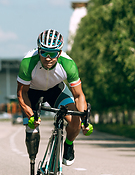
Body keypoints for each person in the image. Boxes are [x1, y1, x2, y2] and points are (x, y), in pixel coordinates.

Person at [17, 29, 93, 167]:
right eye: (44, 52)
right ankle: (33, 161)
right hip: (32, 93)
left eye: (53, 53)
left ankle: (68, 144)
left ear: (59, 53)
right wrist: (30, 115)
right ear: (38, 50)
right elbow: (22, 94)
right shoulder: (28, 63)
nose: (48, 57)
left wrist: (84, 121)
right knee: (32, 128)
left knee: (74, 121)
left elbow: (78, 95)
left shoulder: (68, 64)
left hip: (55, 90)